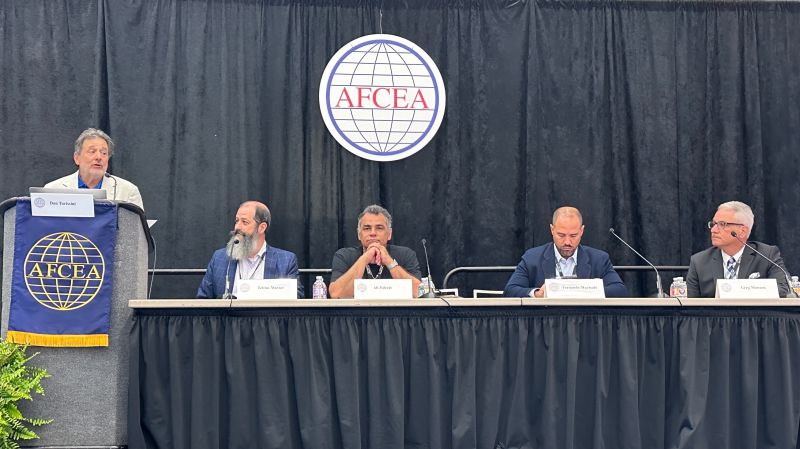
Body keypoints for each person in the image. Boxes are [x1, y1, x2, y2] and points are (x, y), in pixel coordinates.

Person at [504, 206, 627, 298]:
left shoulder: (599, 259)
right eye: (561, 235)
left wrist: (589, 289)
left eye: (573, 235)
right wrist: (537, 294)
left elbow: (620, 290)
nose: (567, 242)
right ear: (552, 230)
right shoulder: (532, 258)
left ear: (582, 231)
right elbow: (510, 290)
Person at [197, 201, 304, 299]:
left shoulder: (285, 261)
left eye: (245, 222)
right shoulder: (220, 258)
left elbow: (296, 301)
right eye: (237, 221)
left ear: (262, 227)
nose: (237, 227)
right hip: (228, 319)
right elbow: (202, 300)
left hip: (266, 319)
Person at [686, 201, 789, 298]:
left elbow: (783, 289)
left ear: (742, 231)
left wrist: (740, 291)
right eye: (713, 224)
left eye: (722, 224)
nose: (713, 230)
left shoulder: (767, 255)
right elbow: (690, 307)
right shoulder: (699, 261)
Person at [329, 205, 422, 298]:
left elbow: (419, 293)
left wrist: (389, 261)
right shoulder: (344, 256)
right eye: (367, 228)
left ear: (389, 234)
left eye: (379, 228)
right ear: (359, 234)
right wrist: (364, 259)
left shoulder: (406, 255)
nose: (373, 233)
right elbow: (336, 294)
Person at [44, 128, 144, 210]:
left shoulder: (128, 191)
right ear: (77, 158)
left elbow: (135, 232)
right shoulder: (52, 190)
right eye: (92, 151)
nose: (99, 157)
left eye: (104, 153)